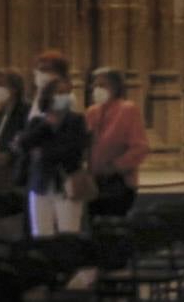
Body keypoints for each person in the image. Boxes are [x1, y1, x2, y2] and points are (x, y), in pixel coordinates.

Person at [15, 76, 90, 237]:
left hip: (67, 184)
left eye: (67, 92)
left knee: (69, 233)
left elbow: (73, 150)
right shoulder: (38, 122)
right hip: (41, 184)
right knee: (41, 234)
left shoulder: (76, 121)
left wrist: (44, 153)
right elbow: (23, 144)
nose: (64, 96)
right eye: (59, 92)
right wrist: (47, 125)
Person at [84, 67, 149, 218]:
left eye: (102, 85)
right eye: (95, 85)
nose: (97, 89)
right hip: (93, 183)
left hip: (118, 182)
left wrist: (115, 166)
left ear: (115, 87)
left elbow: (140, 148)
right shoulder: (92, 112)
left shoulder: (128, 110)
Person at [0, 68, 30, 192]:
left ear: (14, 88)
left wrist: (10, 154)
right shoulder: (1, 112)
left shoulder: (25, 110)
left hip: (13, 168)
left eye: (1, 85)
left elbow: (25, 137)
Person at [28, 49, 74, 119]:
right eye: (38, 69)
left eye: (45, 70)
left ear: (59, 73)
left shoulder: (63, 98)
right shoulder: (40, 94)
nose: (39, 73)